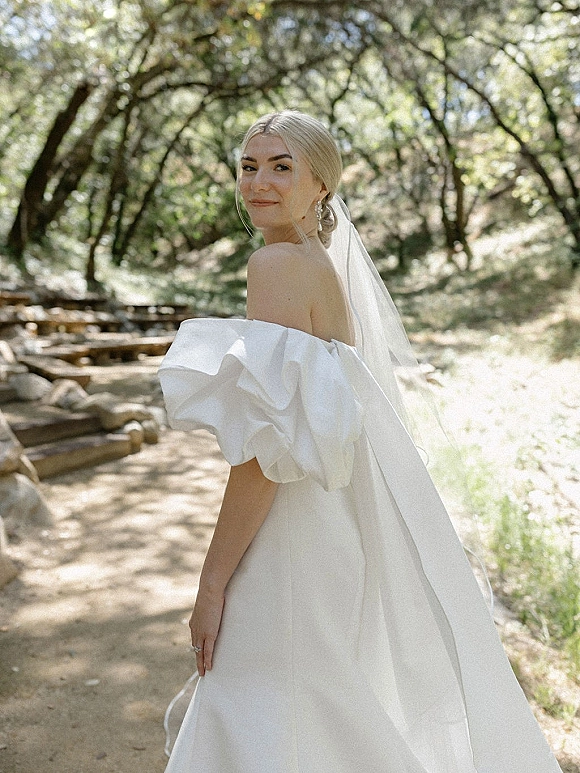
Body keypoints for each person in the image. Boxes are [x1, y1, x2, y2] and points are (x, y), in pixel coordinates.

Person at [158, 111, 563, 772]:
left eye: (281, 166)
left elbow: (268, 457)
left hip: (295, 532)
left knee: (263, 708)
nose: (258, 182)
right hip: (331, 521)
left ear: (322, 185)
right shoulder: (316, 261)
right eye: (249, 165)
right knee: (311, 708)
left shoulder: (277, 265)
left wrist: (211, 583)